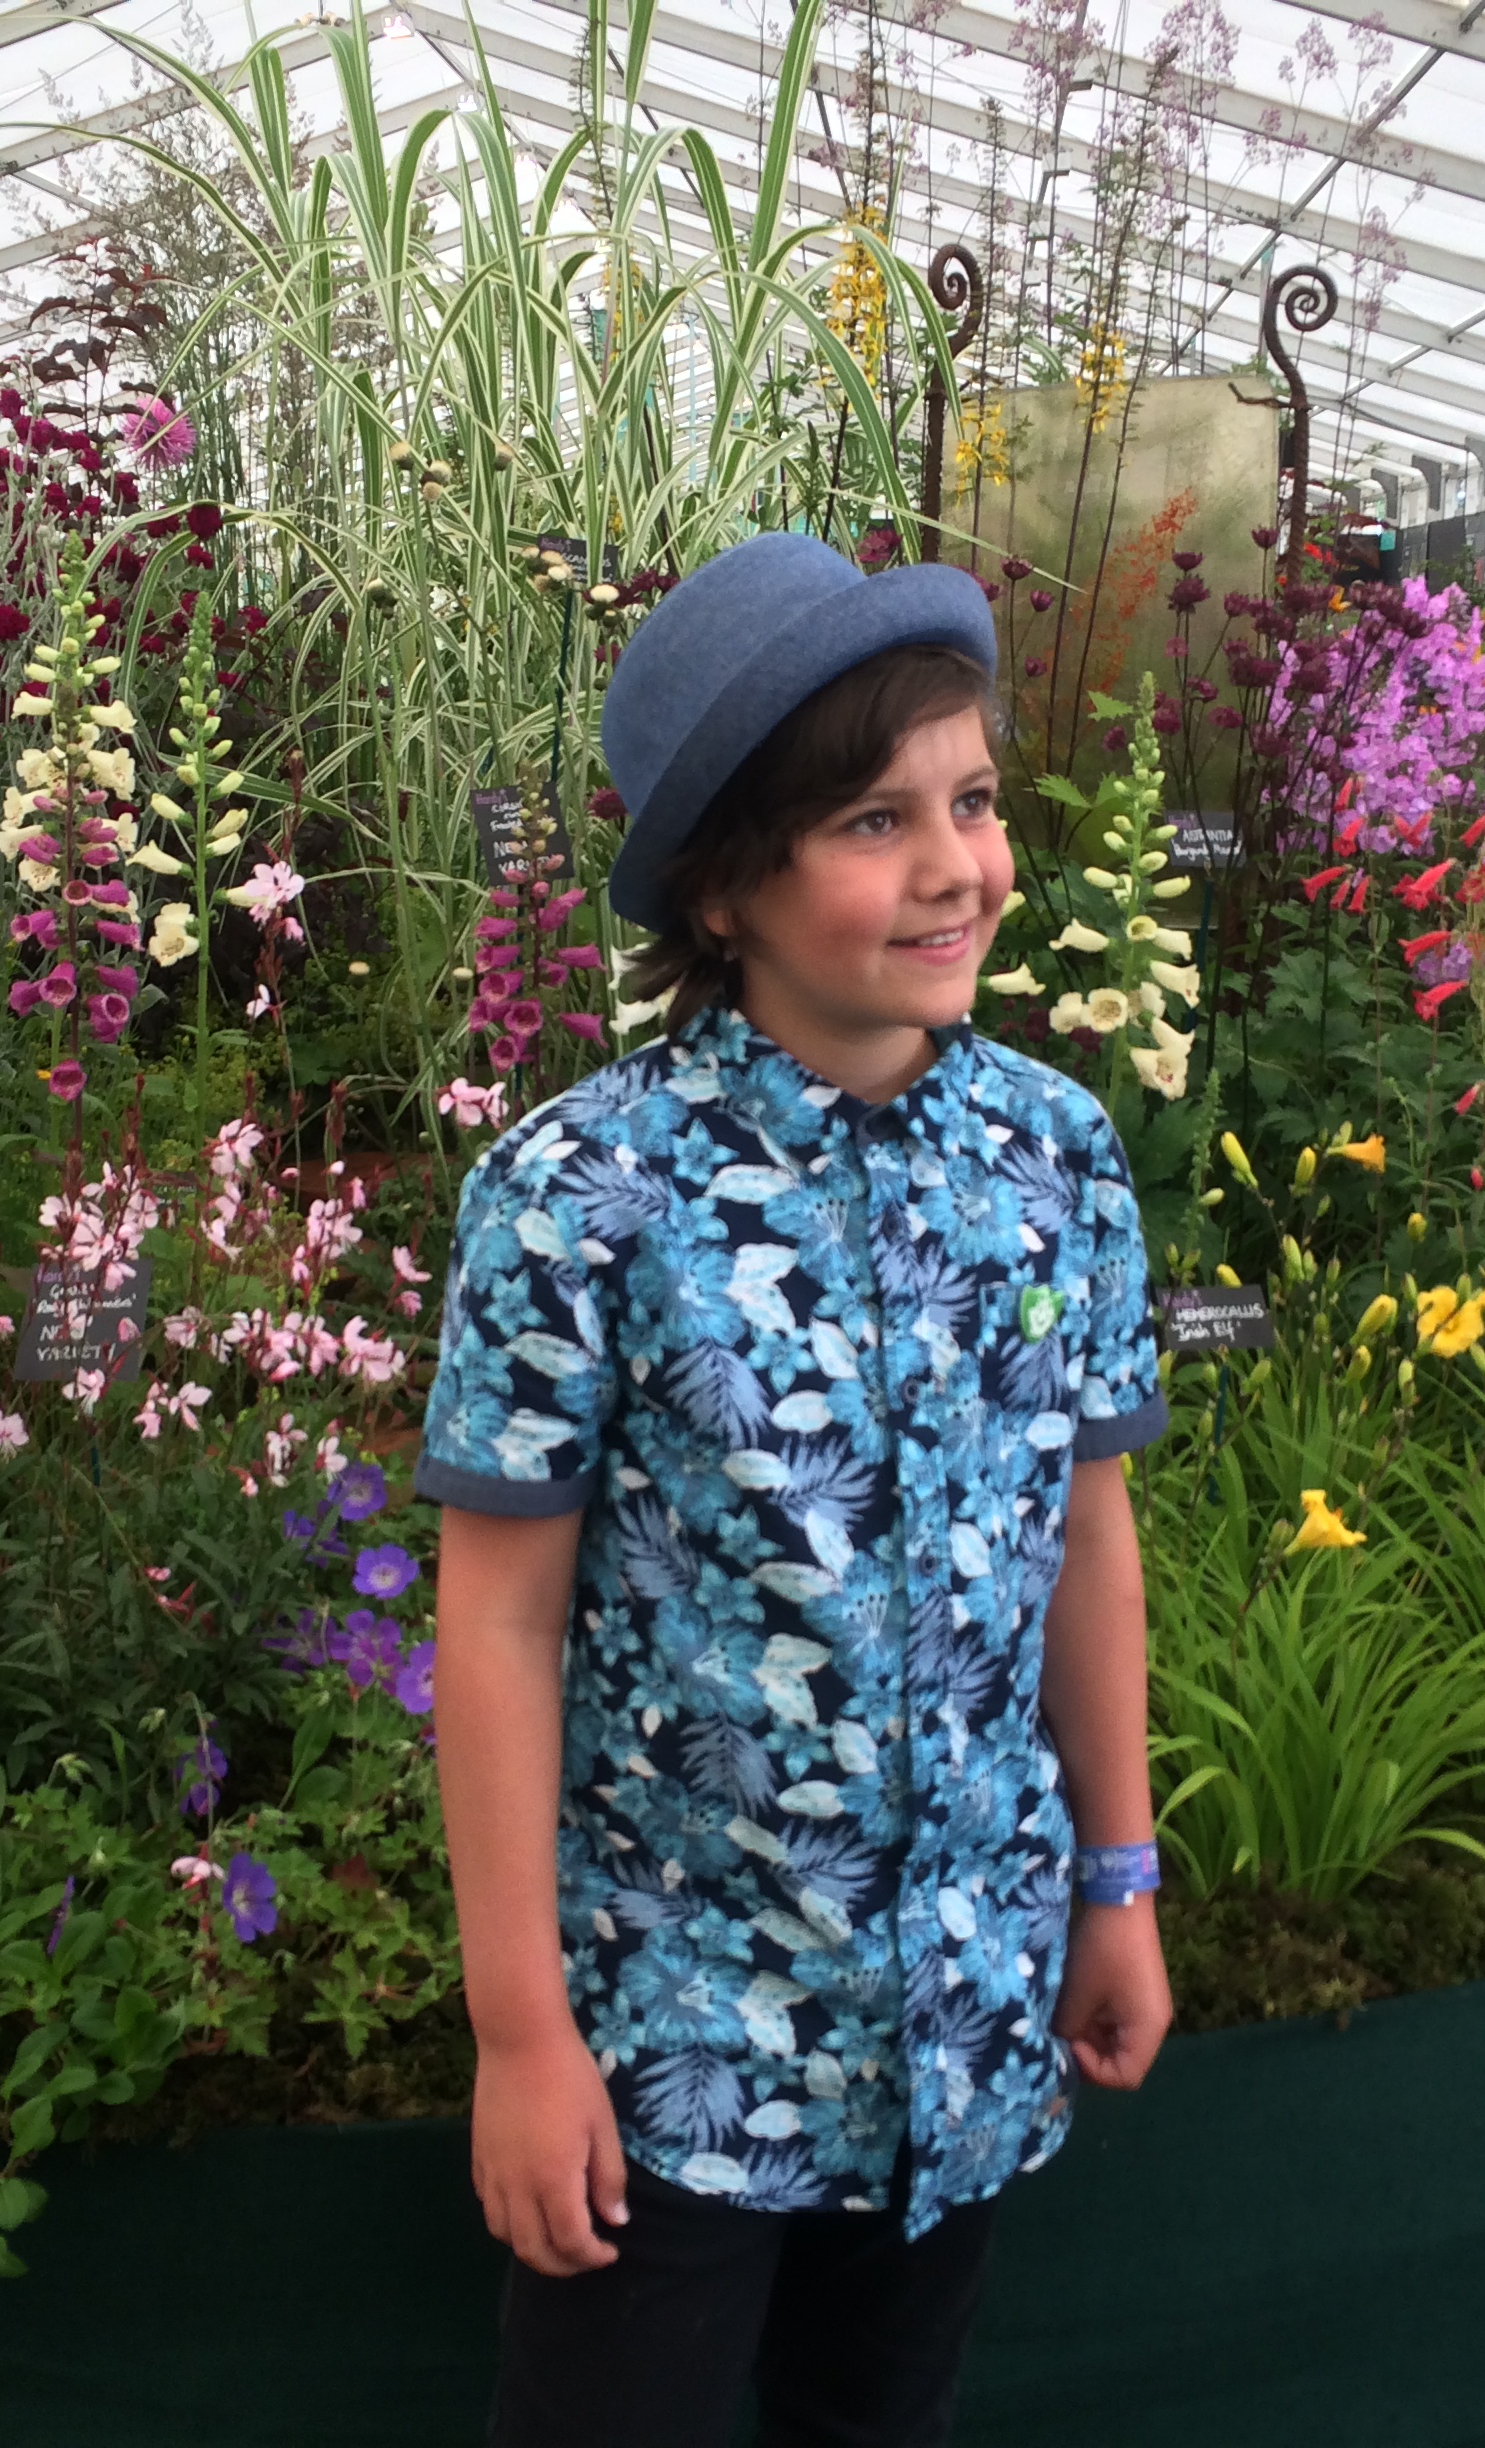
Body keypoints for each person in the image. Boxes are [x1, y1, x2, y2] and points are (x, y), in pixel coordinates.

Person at [421, 531, 1174, 2448]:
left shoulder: (1056, 1156)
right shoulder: (578, 1196)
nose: (956, 865)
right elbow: (497, 1619)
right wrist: (519, 2029)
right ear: (720, 883)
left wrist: (1115, 1878)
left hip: (961, 2000)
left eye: (972, 800)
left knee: (877, 2419)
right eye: (869, 818)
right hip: (670, 2033)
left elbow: (1084, 1535)